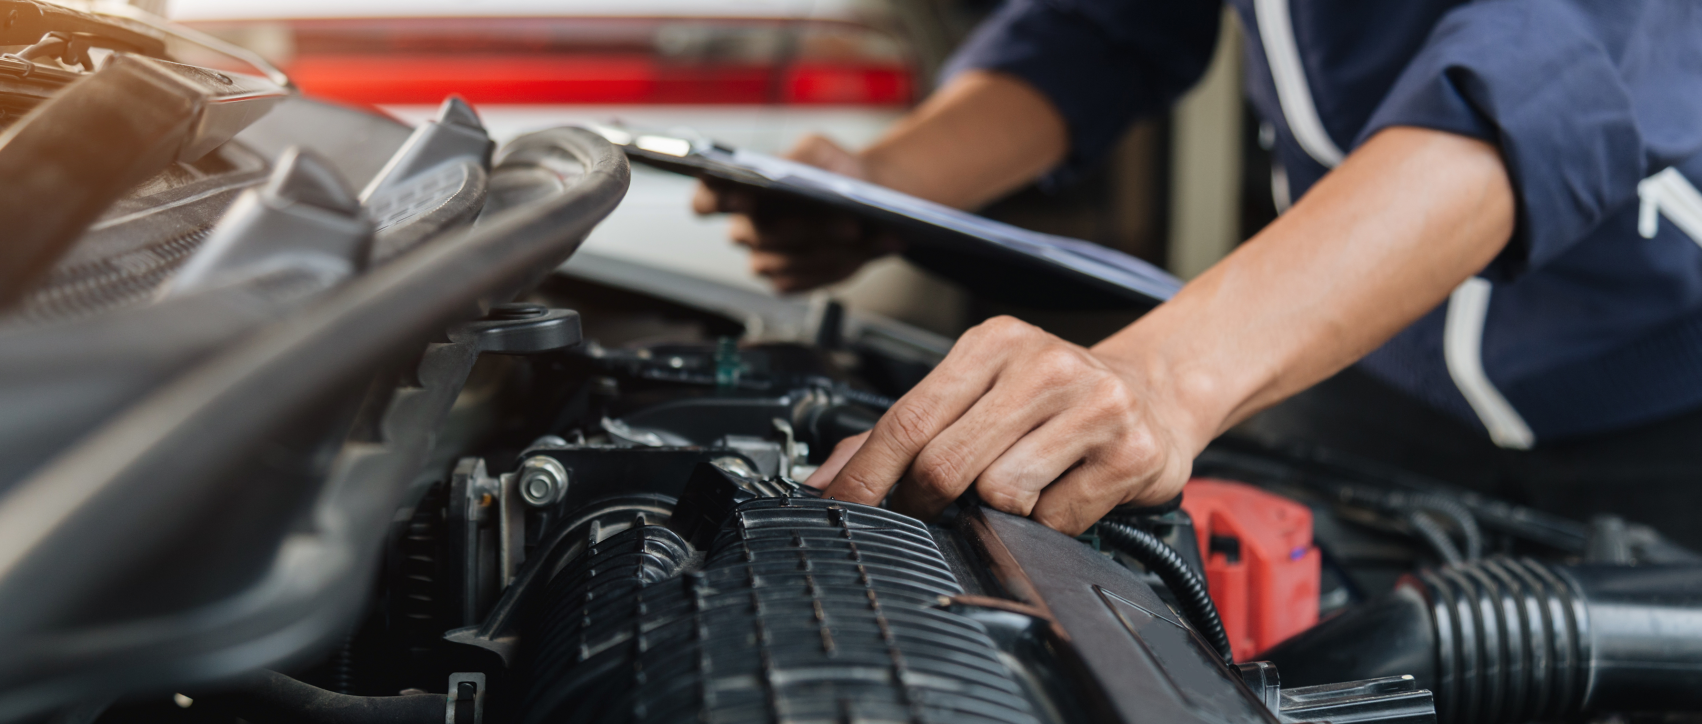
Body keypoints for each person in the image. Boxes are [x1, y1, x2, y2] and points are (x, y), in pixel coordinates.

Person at [695, 0, 1702, 542]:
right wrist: (888, 186)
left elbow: (1550, 69)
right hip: (1362, 372)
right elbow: (1106, 26)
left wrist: (1162, 377)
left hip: (1665, 386)